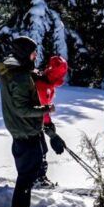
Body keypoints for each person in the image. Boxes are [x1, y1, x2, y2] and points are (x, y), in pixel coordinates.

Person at [0, 36, 64, 207]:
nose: (35, 56)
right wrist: (46, 109)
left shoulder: (18, 72)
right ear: (24, 53)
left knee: (29, 172)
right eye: (33, 53)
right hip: (24, 130)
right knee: (26, 176)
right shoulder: (19, 77)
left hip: (23, 129)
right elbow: (22, 109)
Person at [33, 56, 69, 189]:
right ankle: (38, 178)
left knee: (41, 148)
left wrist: (50, 126)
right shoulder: (44, 86)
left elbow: (44, 107)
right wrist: (49, 128)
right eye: (62, 73)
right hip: (32, 122)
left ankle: (39, 177)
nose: (63, 76)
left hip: (35, 120)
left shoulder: (46, 82)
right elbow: (43, 108)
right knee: (40, 149)